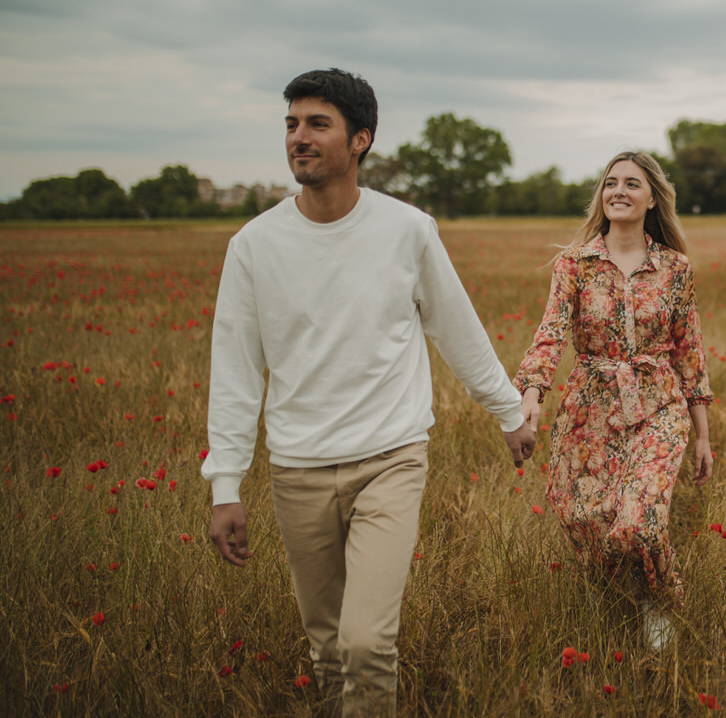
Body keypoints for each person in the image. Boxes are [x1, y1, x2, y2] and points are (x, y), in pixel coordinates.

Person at [203, 68, 536, 717]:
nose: (299, 137)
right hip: (298, 469)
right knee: (327, 650)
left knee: (364, 643)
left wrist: (506, 410)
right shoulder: (253, 246)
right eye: (291, 124)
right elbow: (236, 374)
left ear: (360, 139)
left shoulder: (407, 230)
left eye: (316, 123)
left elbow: (455, 327)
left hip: (390, 458)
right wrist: (225, 485)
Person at [513, 150, 713, 650]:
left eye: (631, 183)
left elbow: (690, 351)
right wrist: (533, 392)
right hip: (591, 407)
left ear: (651, 199)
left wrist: (703, 434)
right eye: (610, 183)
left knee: (639, 524)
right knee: (584, 516)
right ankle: (621, 591)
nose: (618, 191)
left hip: (658, 406)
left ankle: (660, 602)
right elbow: (551, 332)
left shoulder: (674, 268)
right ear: (602, 197)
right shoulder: (574, 266)